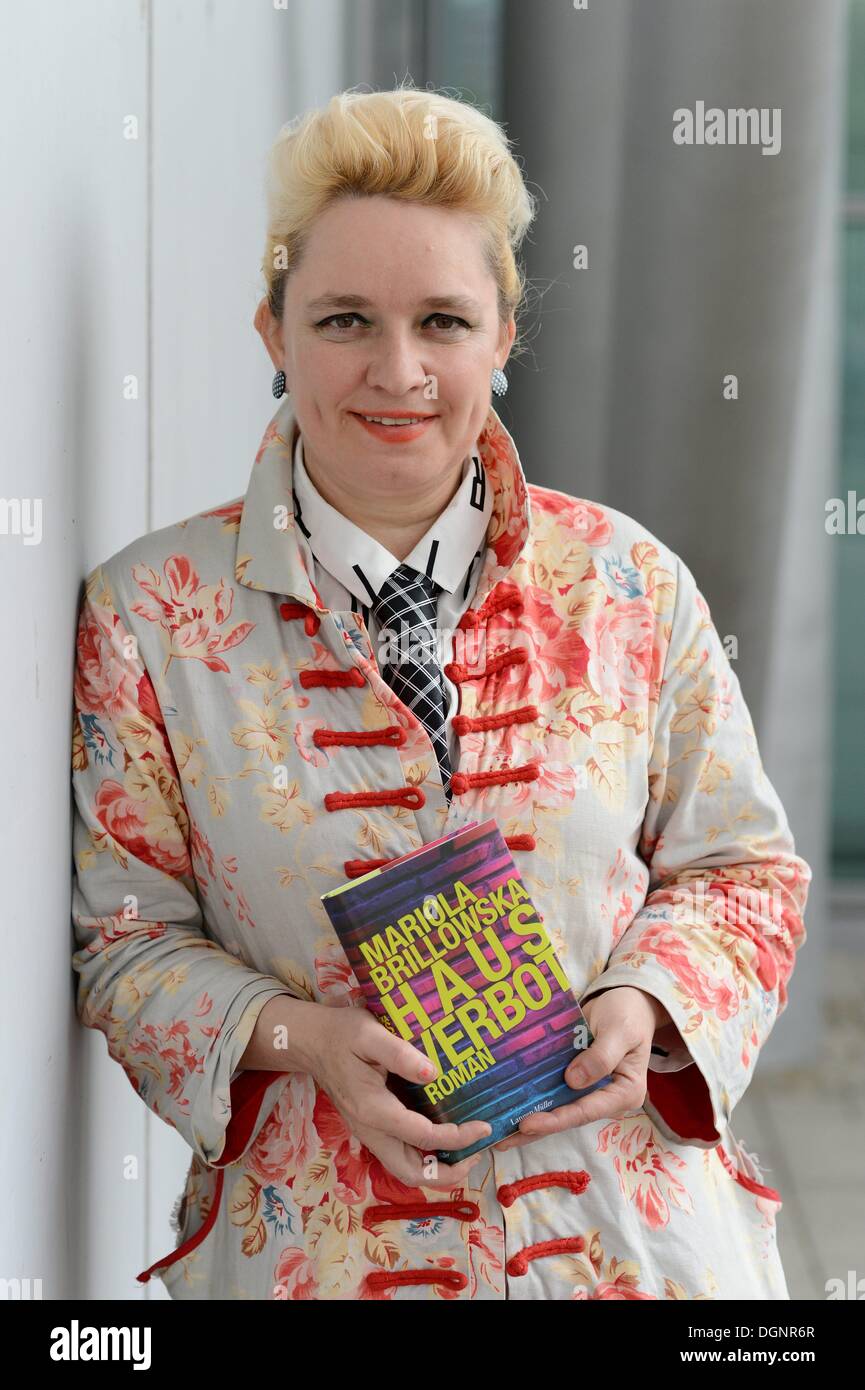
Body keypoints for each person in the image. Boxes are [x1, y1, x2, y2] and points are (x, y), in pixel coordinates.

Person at [70, 83, 811, 1301]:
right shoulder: (149, 618)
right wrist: (303, 1040)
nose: (397, 372)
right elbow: (127, 945)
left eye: (444, 322)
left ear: (504, 337)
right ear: (274, 331)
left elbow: (744, 873)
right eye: (346, 319)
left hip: (637, 1253)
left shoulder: (629, 582)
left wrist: (647, 999)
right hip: (317, 1253)